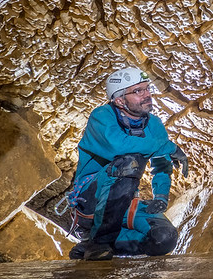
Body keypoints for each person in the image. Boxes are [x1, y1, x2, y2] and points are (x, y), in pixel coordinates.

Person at [65, 66, 189, 261]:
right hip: (92, 200)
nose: (147, 95)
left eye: (147, 89)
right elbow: (118, 146)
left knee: (164, 238)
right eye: (138, 91)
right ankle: (99, 243)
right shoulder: (102, 116)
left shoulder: (154, 124)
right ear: (119, 100)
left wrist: (162, 196)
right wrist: (168, 147)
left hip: (126, 202)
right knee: (128, 163)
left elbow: (161, 164)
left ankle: (93, 246)